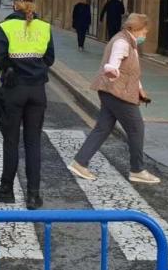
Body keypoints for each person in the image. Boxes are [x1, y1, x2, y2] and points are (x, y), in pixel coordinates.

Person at [68, 13, 159, 185]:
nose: (145, 35)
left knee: (103, 128)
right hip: (117, 93)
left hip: (113, 91)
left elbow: (130, 70)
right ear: (136, 29)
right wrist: (112, 71)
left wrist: (139, 89)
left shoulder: (128, 42)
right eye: (145, 32)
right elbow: (113, 64)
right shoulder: (122, 43)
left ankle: (79, 163)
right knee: (136, 129)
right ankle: (137, 170)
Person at [0, 0, 54, 210]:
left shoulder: (6, 27)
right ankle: (33, 195)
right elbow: (50, 58)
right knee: (33, 142)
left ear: (15, 4)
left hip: (14, 90)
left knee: (11, 141)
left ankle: (6, 189)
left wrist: (11, 68)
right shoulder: (45, 27)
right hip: (38, 91)